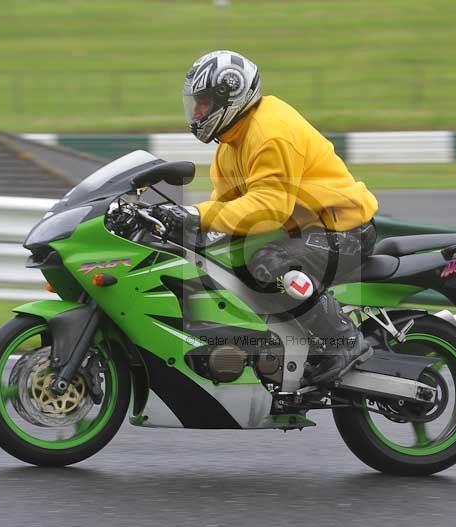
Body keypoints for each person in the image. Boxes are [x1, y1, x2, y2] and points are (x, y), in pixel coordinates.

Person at [153, 50, 379, 386]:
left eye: (202, 103)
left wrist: (196, 214)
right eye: (195, 104)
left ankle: (344, 341)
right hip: (300, 229)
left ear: (228, 97)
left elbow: (269, 207)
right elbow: (229, 208)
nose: (197, 112)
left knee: (267, 260)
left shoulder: (270, 132)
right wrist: (179, 227)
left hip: (344, 229)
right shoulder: (230, 144)